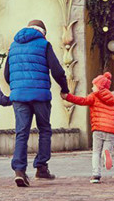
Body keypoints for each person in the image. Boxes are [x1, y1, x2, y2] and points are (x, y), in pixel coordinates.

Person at [4, 19, 70, 187]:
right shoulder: (44, 44)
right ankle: (41, 167)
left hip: (19, 96)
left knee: (22, 132)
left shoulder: (14, 46)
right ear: (43, 31)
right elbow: (57, 70)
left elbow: (7, 74)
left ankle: (19, 171)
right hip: (40, 95)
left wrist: (17, 86)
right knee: (44, 130)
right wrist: (65, 88)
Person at [62, 72, 114, 183]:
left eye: (93, 85)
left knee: (96, 152)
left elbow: (81, 101)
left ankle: (96, 175)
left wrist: (68, 97)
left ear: (99, 87)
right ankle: (106, 154)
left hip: (98, 128)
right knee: (106, 150)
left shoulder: (94, 97)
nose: (92, 87)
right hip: (112, 130)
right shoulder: (113, 101)